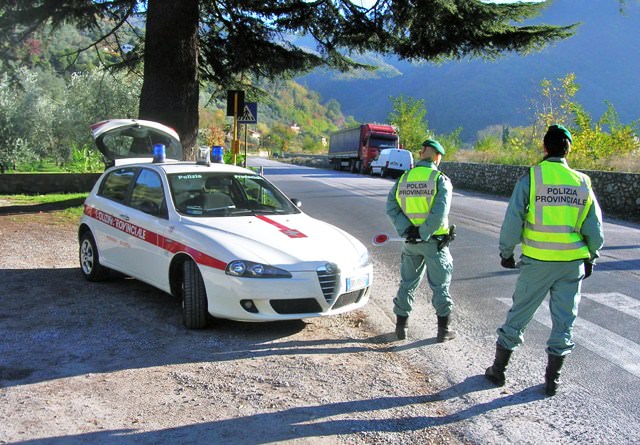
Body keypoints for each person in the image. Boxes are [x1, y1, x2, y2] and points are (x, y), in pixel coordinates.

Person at [485, 124, 604, 396]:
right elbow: (594, 228)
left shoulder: (532, 177)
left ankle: (499, 371)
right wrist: (591, 256)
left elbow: (513, 219)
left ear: (545, 147)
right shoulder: (582, 182)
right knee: (564, 320)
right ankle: (553, 380)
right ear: (568, 149)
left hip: (537, 261)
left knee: (519, 314)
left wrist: (506, 252)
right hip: (572, 263)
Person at [386, 139, 456, 342]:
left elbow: (391, 207)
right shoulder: (439, 179)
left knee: (407, 284)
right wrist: (424, 232)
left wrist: (408, 230)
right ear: (436, 156)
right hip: (434, 243)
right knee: (440, 287)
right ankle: (444, 331)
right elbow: (439, 213)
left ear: (423, 153)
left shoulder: (404, 178)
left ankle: (401, 328)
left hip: (410, 242)